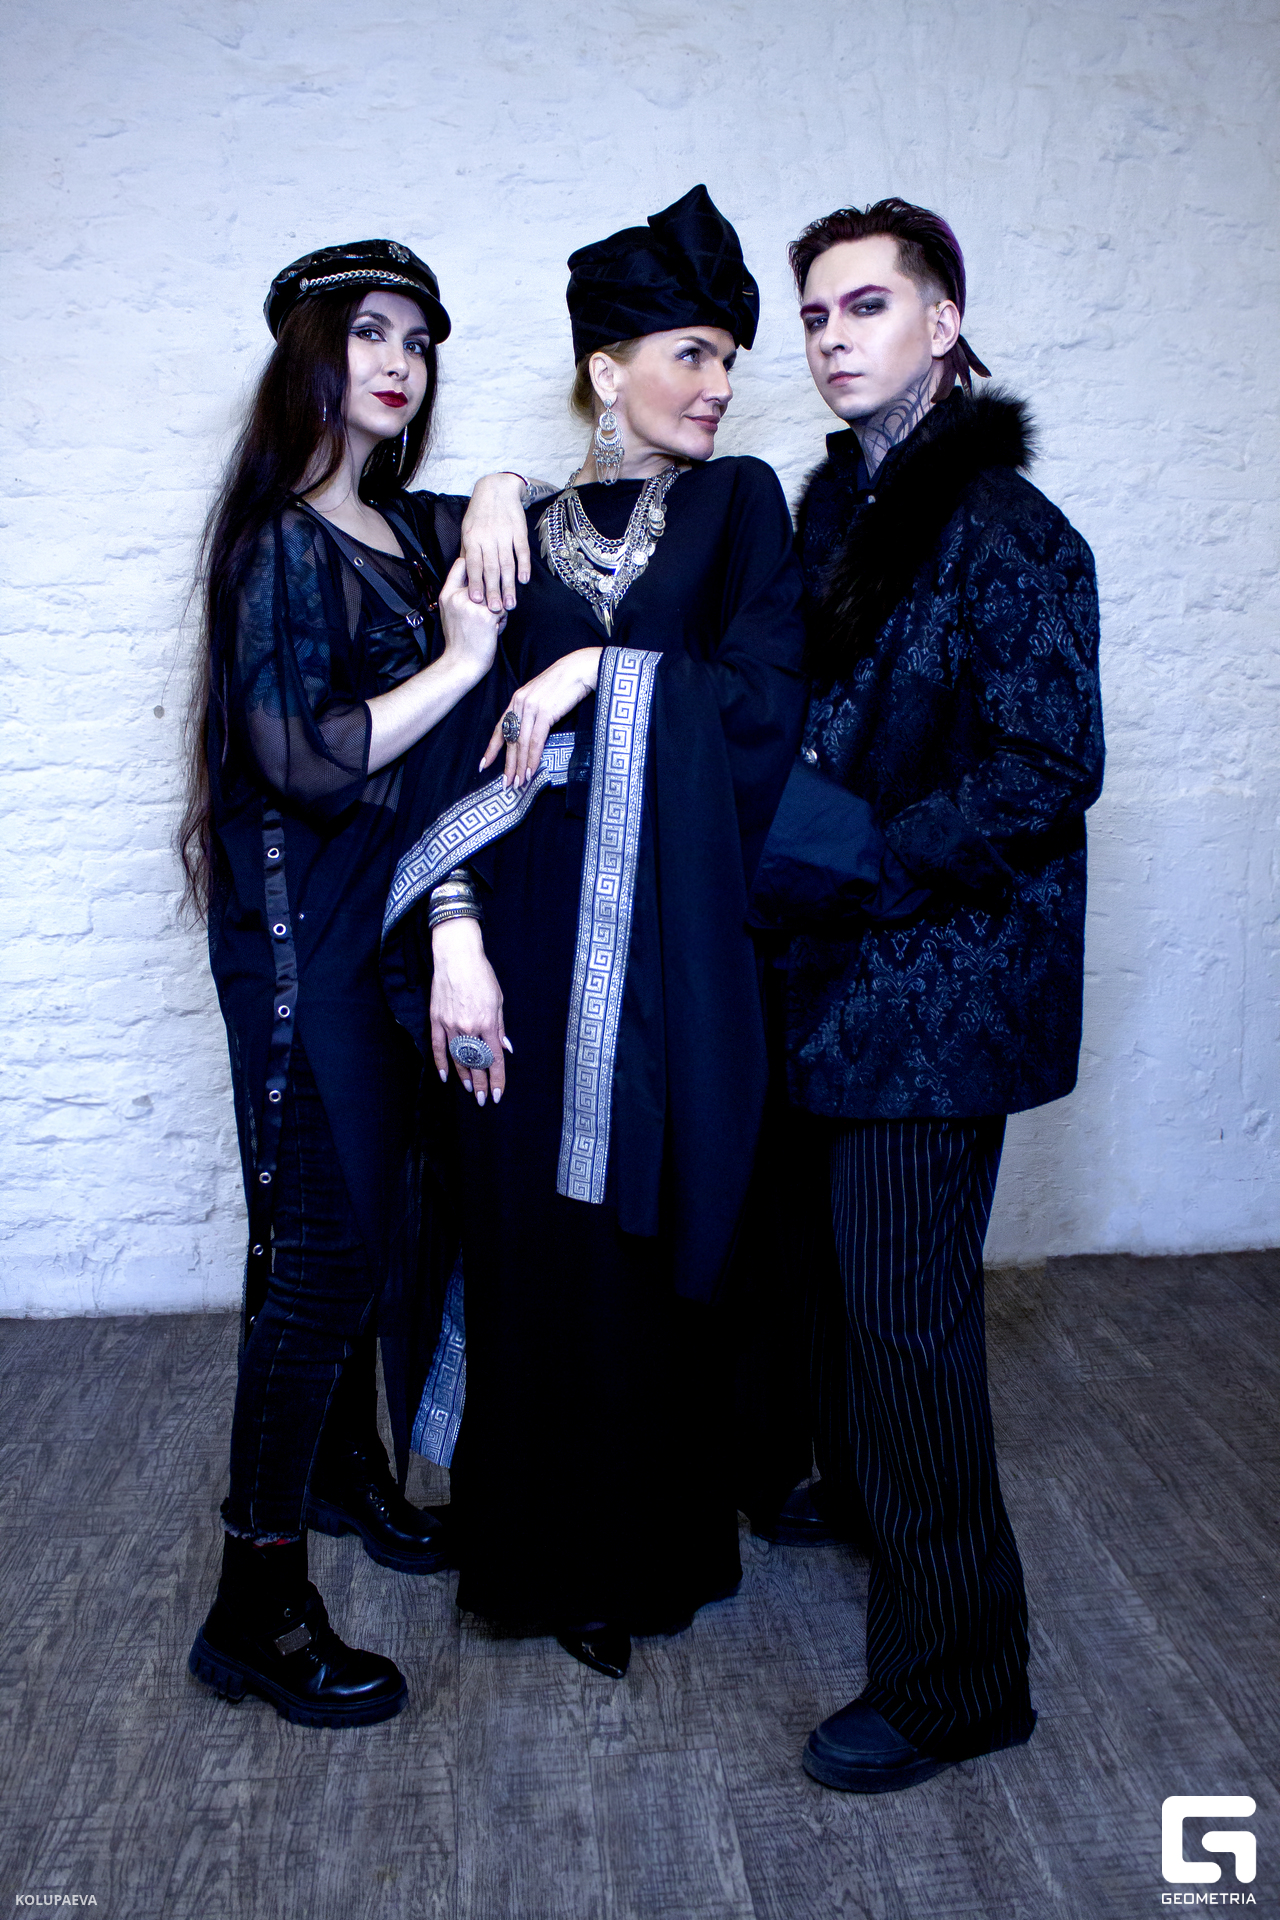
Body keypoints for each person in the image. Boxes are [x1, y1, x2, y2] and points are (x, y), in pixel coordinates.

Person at [381, 186, 809, 1678]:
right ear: (606, 369)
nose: (720, 384)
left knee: (642, 1222)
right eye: (692, 354)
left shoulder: (742, 503)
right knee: (525, 1225)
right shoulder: (501, 530)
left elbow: (766, 700)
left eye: (729, 359)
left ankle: (642, 1550)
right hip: (518, 930)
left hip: (672, 954)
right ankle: (537, 1548)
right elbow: (447, 739)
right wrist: (451, 934)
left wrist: (595, 682)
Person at [750, 199, 1104, 1790]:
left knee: (907, 1326)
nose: (834, 337)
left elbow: (1049, 765)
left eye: (868, 306)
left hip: (941, 993)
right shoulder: (833, 511)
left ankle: (961, 1680)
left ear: (944, 323)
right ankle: (859, 1497)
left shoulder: (1011, 532)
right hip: (831, 973)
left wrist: (872, 857)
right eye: (817, 314)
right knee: (838, 1293)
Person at [179, 240, 531, 1726]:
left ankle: (345, 1475)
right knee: (320, 1258)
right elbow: (302, 760)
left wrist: (499, 486)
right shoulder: (277, 543)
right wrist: (458, 664)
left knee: (371, 1231)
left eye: (419, 341)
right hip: (296, 940)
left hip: (381, 928)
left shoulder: (406, 525)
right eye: (368, 333)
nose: (399, 361)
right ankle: (253, 1607)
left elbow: (536, 519)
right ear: (308, 357)